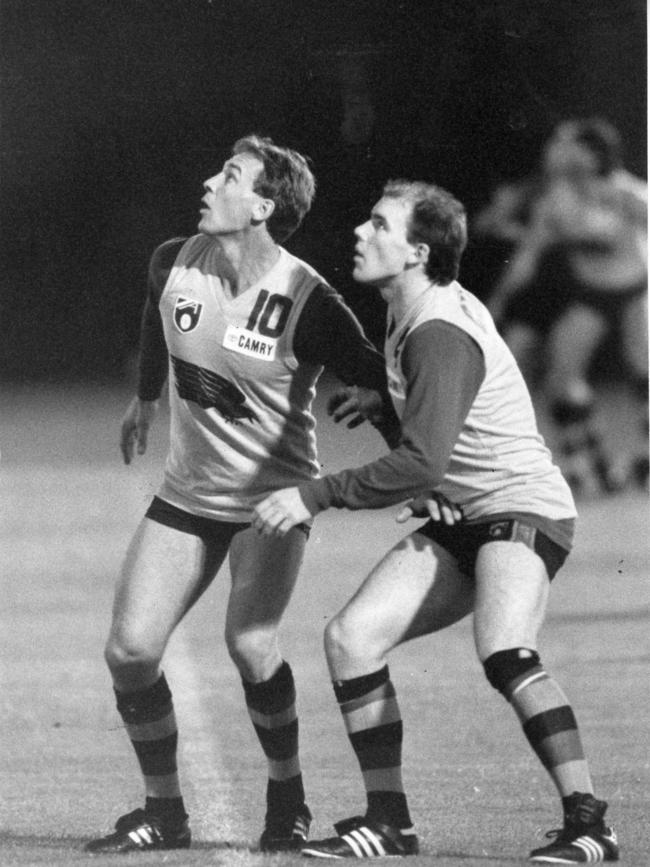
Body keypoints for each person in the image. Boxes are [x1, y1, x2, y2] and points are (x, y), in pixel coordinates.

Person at [253, 179, 619, 862]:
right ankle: (390, 822)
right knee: (352, 637)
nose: (362, 233)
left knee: (506, 650)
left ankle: (591, 824)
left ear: (418, 251)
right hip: (465, 510)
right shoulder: (410, 308)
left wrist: (313, 493)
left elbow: (421, 463)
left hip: (521, 507)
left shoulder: (437, 332)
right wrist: (385, 407)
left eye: (380, 224)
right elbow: (431, 443)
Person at [85, 134, 401, 855]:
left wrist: (418, 472)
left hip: (271, 498)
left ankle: (287, 794)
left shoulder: (307, 298)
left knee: (250, 642)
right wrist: (144, 398)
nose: (208, 180)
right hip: (190, 493)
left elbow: (376, 376)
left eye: (229, 175)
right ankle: (164, 813)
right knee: (131, 651)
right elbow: (156, 313)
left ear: (263, 205)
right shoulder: (173, 260)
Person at [474, 118, 648, 495]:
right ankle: (592, 468)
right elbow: (528, 256)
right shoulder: (557, 201)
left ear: (592, 155)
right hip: (592, 296)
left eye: (572, 145)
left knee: (645, 371)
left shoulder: (628, 193)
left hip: (637, 290)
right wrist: (498, 302)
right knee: (561, 378)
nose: (561, 149)